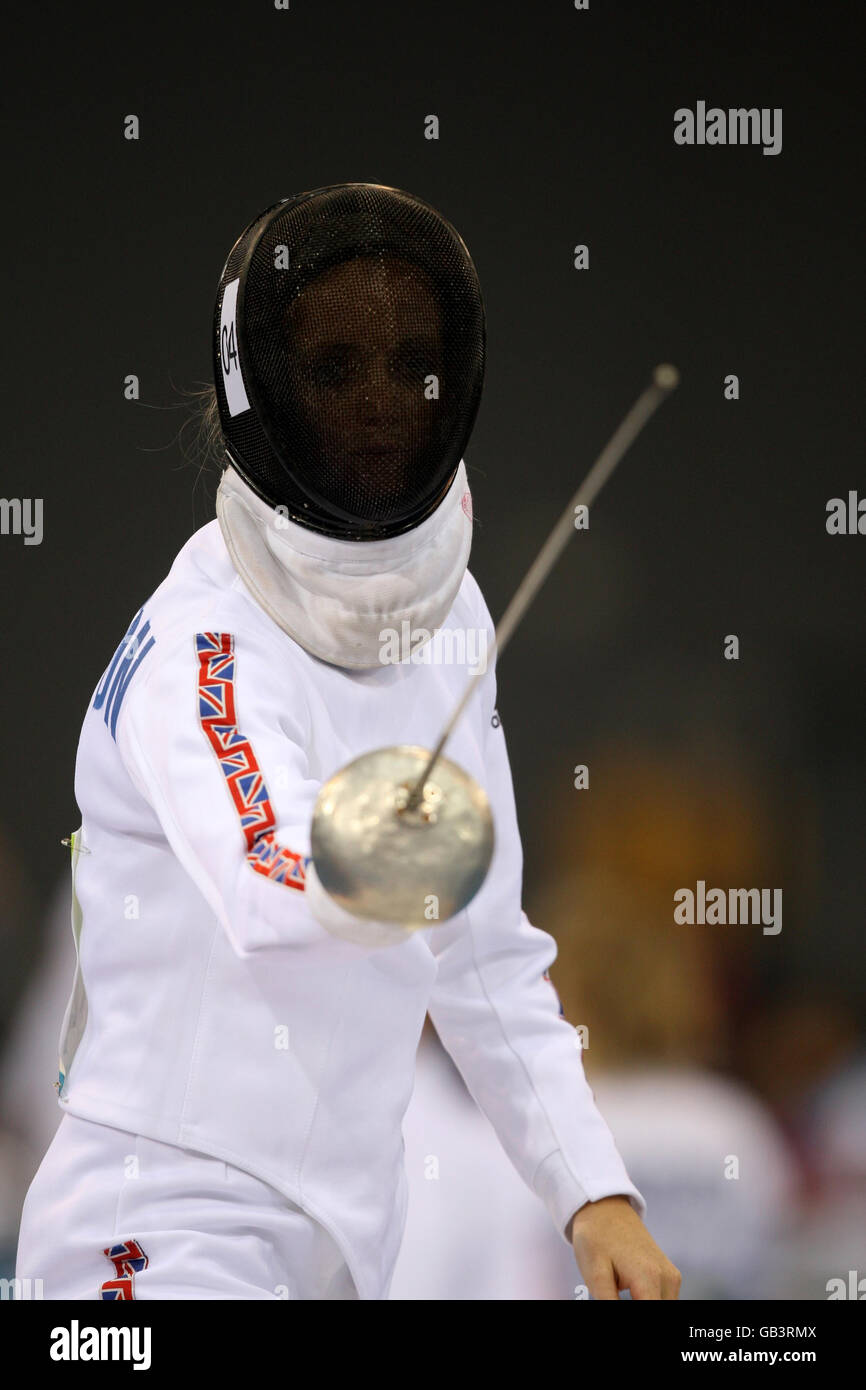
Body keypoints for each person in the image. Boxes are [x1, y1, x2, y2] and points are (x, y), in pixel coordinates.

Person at [16, 183, 679, 1301]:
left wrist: (592, 1193)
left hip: (350, 1241)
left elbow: (478, 950)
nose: (381, 399)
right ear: (259, 389)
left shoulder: (452, 617)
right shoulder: (202, 644)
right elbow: (267, 882)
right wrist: (400, 839)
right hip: (156, 1229)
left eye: (411, 362)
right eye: (332, 368)